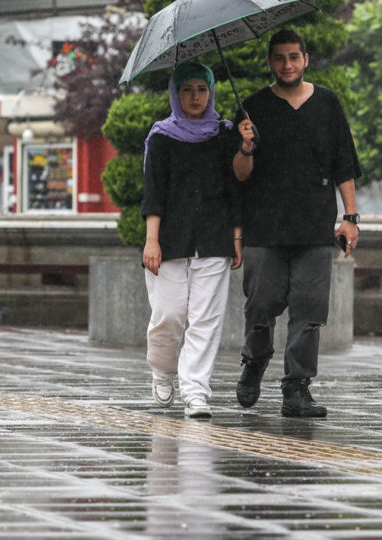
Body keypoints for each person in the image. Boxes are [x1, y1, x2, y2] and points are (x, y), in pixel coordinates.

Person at [232, 29, 362, 418]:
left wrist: (350, 218)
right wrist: (246, 146)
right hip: (264, 228)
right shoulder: (252, 108)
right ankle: (254, 363)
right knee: (260, 307)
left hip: (314, 228)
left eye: (293, 56)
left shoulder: (327, 103)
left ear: (305, 59)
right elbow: (239, 175)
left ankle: (297, 388)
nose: (287, 64)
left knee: (309, 311)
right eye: (279, 58)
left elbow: (344, 164)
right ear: (269, 62)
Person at [141, 61, 243, 419]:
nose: (195, 96)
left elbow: (235, 189)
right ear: (175, 94)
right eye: (187, 89)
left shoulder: (225, 134)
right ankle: (162, 370)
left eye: (202, 89)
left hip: (214, 238)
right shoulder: (162, 137)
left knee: (206, 320)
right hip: (170, 239)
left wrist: (236, 236)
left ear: (211, 92)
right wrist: (151, 240)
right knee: (168, 316)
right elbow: (153, 193)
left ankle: (196, 391)